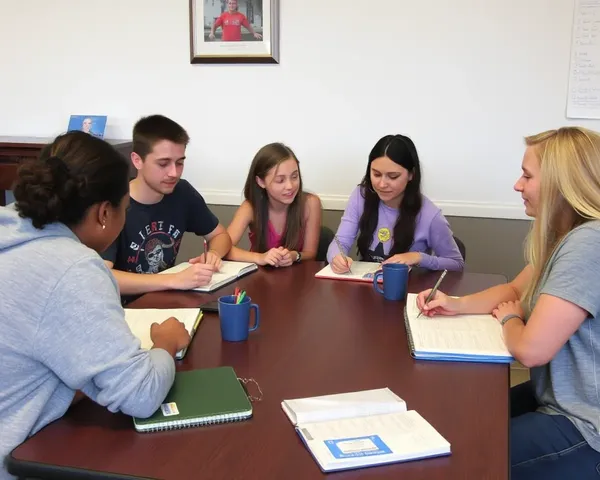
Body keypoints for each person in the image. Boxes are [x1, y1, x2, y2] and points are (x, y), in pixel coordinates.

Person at [0, 131, 190, 480]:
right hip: (19, 460)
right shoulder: (72, 268)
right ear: (104, 212)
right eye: (124, 209)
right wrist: (166, 343)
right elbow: (141, 394)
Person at [416, 126, 600, 479]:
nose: (518, 185)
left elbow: (530, 350)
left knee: (461, 457)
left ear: (561, 184)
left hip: (585, 425)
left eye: (527, 176)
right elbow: (514, 290)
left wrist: (510, 320)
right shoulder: (567, 237)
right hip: (559, 399)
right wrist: (455, 303)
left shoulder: (588, 244)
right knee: (462, 423)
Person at [102, 115, 232, 300]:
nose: (174, 173)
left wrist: (213, 254)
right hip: (124, 309)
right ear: (137, 160)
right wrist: (173, 280)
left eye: (180, 163)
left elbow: (220, 235)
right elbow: (103, 276)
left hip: (166, 301)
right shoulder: (113, 204)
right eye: (163, 164)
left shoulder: (182, 192)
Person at [327, 134, 464, 273]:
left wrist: (418, 257)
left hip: (409, 284)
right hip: (368, 282)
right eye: (376, 174)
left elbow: (456, 263)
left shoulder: (430, 215)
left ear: (411, 174)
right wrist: (336, 257)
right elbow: (340, 241)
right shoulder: (361, 196)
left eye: (393, 177)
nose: (382, 184)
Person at [226, 142, 322, 267]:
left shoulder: (310, 203)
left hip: (296, 275)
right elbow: (223, 248)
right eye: (280, 180)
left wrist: (295, 256)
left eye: (294, 177)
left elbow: (310, 254)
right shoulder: (250, 207)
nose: (290, 186)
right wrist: (260, 257)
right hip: (259, 275)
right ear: (261, 182)